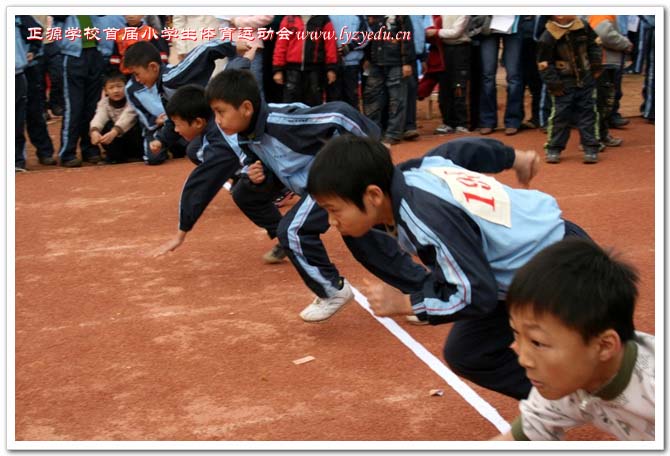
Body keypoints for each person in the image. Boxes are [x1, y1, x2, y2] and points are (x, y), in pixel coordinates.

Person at [306, 134, 596, 399]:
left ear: (373, 196)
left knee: (579, 354)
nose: (332, 222)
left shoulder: (426, 219)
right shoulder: (415, 170)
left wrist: (408, 303)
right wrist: (513, 157)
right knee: (468, 352)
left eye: (334, 210)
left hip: (558, 270)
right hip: (523, 268)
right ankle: (558, 402)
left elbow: (475, 294)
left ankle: (607, 392)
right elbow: (461, 150)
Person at [205, 68, 396, 323]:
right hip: (309, 185)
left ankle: (333, 290)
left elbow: (339, 113)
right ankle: (417, 284)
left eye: (221, 111)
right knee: (245, 193)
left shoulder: (282, 122)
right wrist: (256, 174)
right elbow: (262, 166)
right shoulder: (245, 136)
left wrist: (375, 147)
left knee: (294, 230)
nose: (217, 120)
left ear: (247, 108)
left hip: (332, 180)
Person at [491, 238, 653, 441]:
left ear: (604, 346)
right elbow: (521, 439)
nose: (522, 358)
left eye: (537, 342)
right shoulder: (569, 381)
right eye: (516, 333)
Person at [151, 83, 284, 263]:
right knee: (239, 189)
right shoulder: (214, 125)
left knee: (246, 193)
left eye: (177, 124)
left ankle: (294, 233)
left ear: (198, 122)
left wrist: (181, 233)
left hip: (285, 160)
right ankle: (286, 235)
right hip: (266, 159)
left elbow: (200, 185)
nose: (175, 129)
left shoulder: (221, 143)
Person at [122, 39, 246, 165]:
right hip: (212, 125)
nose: (137, 80)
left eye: (137, 74)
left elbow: (204, 50)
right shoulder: (163, 91)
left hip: (225, 117)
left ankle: (242, 168)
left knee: (200, 151)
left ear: (153, 67)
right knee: (195, 151)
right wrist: (161, 140)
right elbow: (174, 120)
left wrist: (233, 45)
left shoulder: (173, 78)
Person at [536, 15, 602, 164]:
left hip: (586, 80)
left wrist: (596, 65)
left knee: (588, 113)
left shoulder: (583, 27)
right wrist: (553, 83)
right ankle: (554, 148)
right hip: (564, 84)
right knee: (560, 116)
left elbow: (594, 45)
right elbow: (544, 64)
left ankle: (591, 147)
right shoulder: (548, 36)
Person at [272, 15, 338, 106]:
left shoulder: (323, 19)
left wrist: (331, 68)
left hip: (315, 71)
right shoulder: (288, 19)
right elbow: (281, 44)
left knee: (314, 103)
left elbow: (330, 44)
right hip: (292, 70)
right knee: (291, 103)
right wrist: (278, 69)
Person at [588, 15, 632, 149]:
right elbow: (605, 34)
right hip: (603, 62)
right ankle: (593, 138)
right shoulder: (600, 11)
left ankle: (601, 135)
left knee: (605, 103)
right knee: (600, 102)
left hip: (606, 62)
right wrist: (626, 43)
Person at [425, 15, 471, 135]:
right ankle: (448, 122)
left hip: (460, 50)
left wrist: (436, 32)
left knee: (458, 86)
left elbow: (456, 32)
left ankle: (461, 123)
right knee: (444, 88)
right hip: (441, 50)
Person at [89, 70, 143, 164]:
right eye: (111, 87)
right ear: (105, 90)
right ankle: (115, 157)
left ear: (126, 87)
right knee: (103, 126)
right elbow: (99, 117)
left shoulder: (132, 100)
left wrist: (115, 131)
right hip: (117, 141)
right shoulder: (103, 103)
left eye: (119, 86)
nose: (116, 90)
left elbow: (128, 117)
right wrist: (94, 131)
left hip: (134, 140)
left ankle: (137, 155)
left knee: (137, 125)